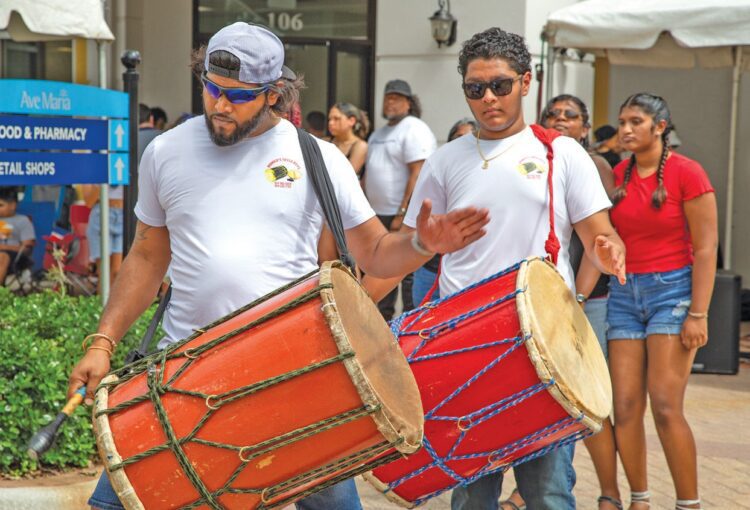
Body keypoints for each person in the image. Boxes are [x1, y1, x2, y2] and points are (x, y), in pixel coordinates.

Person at [66, 22, 489, 510]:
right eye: (211, 88)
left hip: (293, 374)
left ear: (273, 94)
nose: (220, 105)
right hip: (184, 372)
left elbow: (374, 251)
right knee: (113, 503)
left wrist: (420, 243)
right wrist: (103, 342)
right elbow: (145, 255)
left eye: (237, 95)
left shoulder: (318, 157)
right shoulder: (166, 150)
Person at [375, 27, 626, 510]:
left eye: (501, 85)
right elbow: (405, 248)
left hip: (544, 346)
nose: (488, 98)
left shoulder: (561, 153)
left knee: (548, 492)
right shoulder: (446, 160)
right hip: (463, 343)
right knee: (471, 496)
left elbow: (600, 233)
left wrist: (607, 249)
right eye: (475, 88)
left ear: (526, 83)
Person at [607, 93, 717, 510]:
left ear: (660, 127)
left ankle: (688, 503)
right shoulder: (619, 173)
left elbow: (706, 249)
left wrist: (699, 313)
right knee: (626, 406)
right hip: (623, 293)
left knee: (667, 406)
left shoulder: (689, 173)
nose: (626, 129)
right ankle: (640, 499)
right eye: (622, 122)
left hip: (672, 292)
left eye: (636, 121)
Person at [365, 79, 437, 319]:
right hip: (377, 215)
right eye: (387, 97)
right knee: (382, 271)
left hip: (401, 215)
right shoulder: (379, 132)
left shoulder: (414, 128)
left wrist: (403, 212)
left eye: (396, 98)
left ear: (408, 102)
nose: (390, 102)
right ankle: (383, 323)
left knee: (404, 271)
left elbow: (418, 172)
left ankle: (408, 324)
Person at [411, 117, 477, 306]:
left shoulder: (489, 178)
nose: (462, 143)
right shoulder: (435, 170)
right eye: (457, 138)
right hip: (429, 271)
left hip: (465, 276)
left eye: (469, 138)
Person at [81, 184, 124, 290]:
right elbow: (88, 202)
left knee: (117, 272)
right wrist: (102, 180)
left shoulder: (128, 167)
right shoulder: (93, 168)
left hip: (123, 215)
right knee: (104, 273)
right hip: (101, 214)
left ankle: (114, 305)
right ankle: (103, 305)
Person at [0, 187, 35, 285]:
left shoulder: (22, 221)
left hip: (16, 257)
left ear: (13, 205)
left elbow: (27, 248)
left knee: (2, 256)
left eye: (1, 205)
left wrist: (3, 247)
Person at [328, 102, 369, 178]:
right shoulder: (325, 142)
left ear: (351, 121)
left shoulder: (360, 146)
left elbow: (346, 176)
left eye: (336, 119)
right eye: (329, 119)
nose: (330, 123)